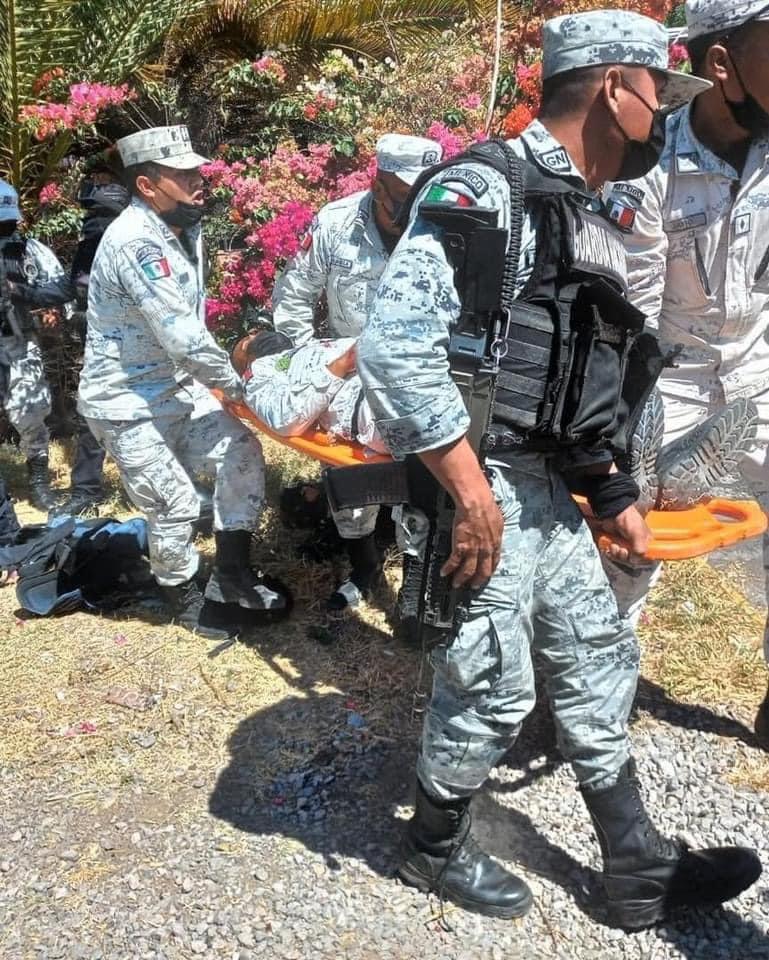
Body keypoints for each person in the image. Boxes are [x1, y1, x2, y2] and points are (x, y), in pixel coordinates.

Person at [357, 9, 761, 930]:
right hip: (475, 477)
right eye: (661, 92)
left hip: (547, 484)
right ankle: (431, 843)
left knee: (595, 651)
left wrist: (612, 493)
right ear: (616, 89)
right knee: (494, 679)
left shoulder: (591, 205)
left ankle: (633, 866)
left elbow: (581, 367)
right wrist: (464, 492)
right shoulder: (481, 189)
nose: (666, 116)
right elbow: (393, 348)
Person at [602, 0, 769, 748]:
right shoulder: (642, 163)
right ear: (721, 63)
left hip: (759, 367)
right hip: (663, 375)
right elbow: (623, 313)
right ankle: (595, 698)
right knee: (630, 546)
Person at [77, 125, 289, 640]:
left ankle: (232, 571)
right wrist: (241, 390)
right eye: (184, 174)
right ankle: (187, 599)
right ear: (147, 185)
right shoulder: (134, 242)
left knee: (240, 450)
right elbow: (184, 337)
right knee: (173, 502)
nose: (199, 180)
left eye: (197, 170)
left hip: (173, 392)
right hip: (125, 403)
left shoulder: (181, 229)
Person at [272, 133, 443, 610]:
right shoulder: (336, 223)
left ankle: (417, 583)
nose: (413, 205)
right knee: (352, 485)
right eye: (405, 192)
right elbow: (292, 301)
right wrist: (307, 371)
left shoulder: (444, 225)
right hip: (348, 379)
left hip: (421, 381)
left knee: (424, 487)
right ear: (378, 181)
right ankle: (364, 565)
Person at [230, 329, 386, 610]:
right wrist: (339, 366)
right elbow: (286, 418)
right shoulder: (257, 374)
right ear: (245, 362)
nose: (253, 333)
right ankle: (367, 572)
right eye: (245, 340)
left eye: (253, 331)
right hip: (375, 407)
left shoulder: (313, 345)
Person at [54, 157, 131, 517]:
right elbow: (75, 288)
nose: (92, 220)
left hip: (135, 344)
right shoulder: (92, 243)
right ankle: (86, 489)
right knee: (92, 412)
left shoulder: (129, 241)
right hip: (102, 342)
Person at [0, 179, 74, 510]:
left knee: (31, 412)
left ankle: (39, 482)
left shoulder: (30, 251)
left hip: (18, 341)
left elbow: (60, 288)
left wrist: (53, 313)